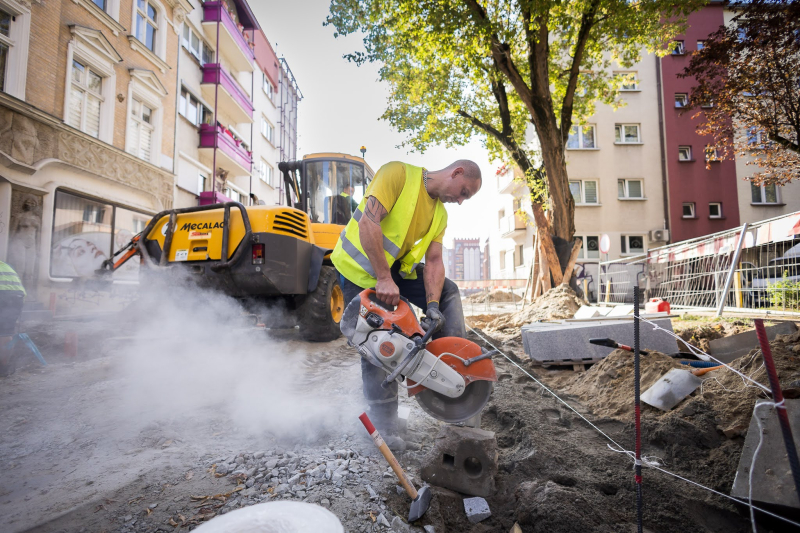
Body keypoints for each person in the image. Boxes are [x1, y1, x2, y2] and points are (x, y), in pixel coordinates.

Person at [331, 160, 482, 446]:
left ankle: (454, 367)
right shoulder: (397, 174)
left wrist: (433, 306)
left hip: (392, 272)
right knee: (377, 345)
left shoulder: (440, 214)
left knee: (447, 291)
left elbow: (435, 261)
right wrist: (383, 278)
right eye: (463, 192)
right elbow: (368, 222)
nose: (461, 201)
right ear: (456, 172)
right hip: (358, 269)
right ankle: (385, 429)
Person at [0, 261, 26, 377]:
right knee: (6, 333)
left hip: (3, 296)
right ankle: (3, 366)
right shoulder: (6, 266)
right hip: (17, 298)